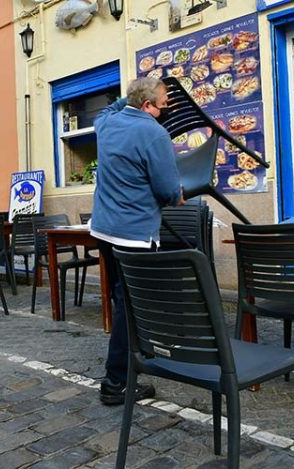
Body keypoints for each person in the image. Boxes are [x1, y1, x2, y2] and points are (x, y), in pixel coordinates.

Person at [90, 77, 184, 405]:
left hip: (103, 231)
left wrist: (127, 98)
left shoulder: (106, 125)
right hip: (134, 235)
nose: (166, 110)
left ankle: (135, 357)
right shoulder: (154, 133)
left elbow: (105, 111)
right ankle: (116, 382)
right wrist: (178, 195)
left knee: (121, 302)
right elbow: (167, 190)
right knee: (130, 308)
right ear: (147, 106)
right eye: (163, 105)